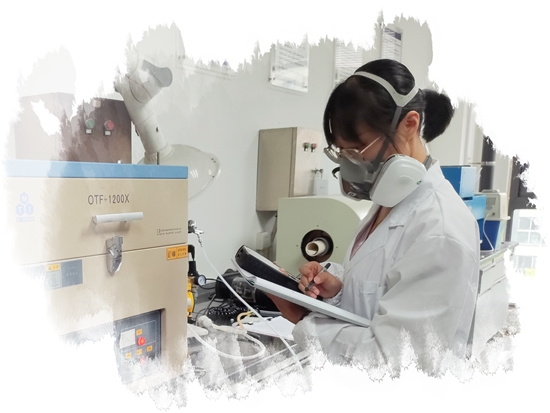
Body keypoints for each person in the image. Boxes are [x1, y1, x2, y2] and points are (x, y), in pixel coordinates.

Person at [268, 59, 480, 376]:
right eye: (342, 153)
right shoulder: (390, 200)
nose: (351, 166)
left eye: (356, 151)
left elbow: (395, 362)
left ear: (409, 125)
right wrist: (338, 290)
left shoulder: (440, 230)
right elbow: (380, 293)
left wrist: (304, 319)